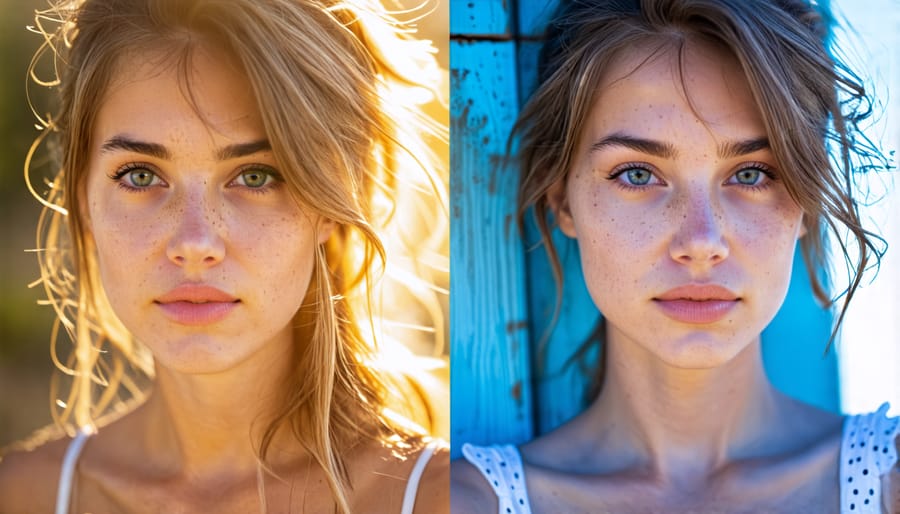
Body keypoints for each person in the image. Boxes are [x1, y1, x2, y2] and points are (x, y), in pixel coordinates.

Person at [0, 0, 449, 513]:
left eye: (255, 176)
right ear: (82, 197)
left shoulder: (435, 498)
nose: (194, 242)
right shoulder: (24, 495)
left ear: (335, 198)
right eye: (140, 175)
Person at [451, 0, 898, 513]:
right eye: (637, 174)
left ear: (805, 202)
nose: (701, 241)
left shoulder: (887, 483)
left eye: (751, 174)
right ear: (561, 200)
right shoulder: (464, 501)